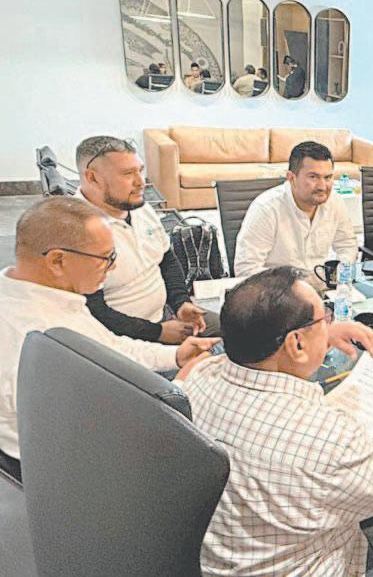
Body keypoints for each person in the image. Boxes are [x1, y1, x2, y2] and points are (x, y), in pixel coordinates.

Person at [182, 266, 373, 576]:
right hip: (304, 565)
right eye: (324, 319)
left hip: (223, 558)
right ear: (296, 343)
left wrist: (320, 338)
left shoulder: (199, 377)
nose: (329, 324)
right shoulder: (325, 437)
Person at [0, 197, 216, 479]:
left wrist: (174, 356)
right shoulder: (39, 338)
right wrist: (180, 387)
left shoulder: (45, 295)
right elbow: (106, 426)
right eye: (106, 258)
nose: (112, 268)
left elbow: (109, 347)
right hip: (67, 470)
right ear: (57, 260)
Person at [76, 136, 218, 343]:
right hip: (124, 339)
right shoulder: (75, 229)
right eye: (127, 174)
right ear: (92, 178)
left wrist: (181, 302)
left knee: (243, 327)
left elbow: (166, 259)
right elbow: (92, 310)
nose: (140, 182)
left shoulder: (139, 207)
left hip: (165, 317)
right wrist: (157, 332)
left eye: (140, 171)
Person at [234, 141, 357, 283]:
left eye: (327, 177)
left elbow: (347, 244)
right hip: (277, 290)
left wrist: (340, 277)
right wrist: (294, 288)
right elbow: (246, 269)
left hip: (320, 285)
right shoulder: (266, 208)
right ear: (291, 178)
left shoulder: (335, 202)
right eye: (313, 177)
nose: (322, 186)